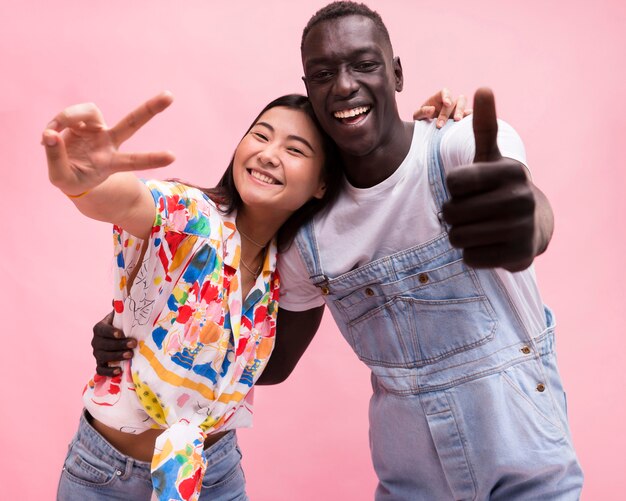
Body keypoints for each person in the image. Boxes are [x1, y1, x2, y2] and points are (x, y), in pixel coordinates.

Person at [93, 1, 584, 499]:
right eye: (323, 73)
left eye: (364, 64)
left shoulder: (458, 146)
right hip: (409, 481)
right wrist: (142, 333)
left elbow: (527, 211)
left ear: (396, 73)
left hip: (528, 467)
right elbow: (269, 363)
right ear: (310, 88)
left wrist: (524, 221)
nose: (344, 84)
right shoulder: (310, 240)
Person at [43, 92, 344, 500]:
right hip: (109, 476)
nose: (269, 154)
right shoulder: (192, 216)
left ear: (322, 184)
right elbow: (130, 199)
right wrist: (85, 181)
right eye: (260, 135)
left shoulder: (289, 273)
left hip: (214, 474)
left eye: (295, 149)